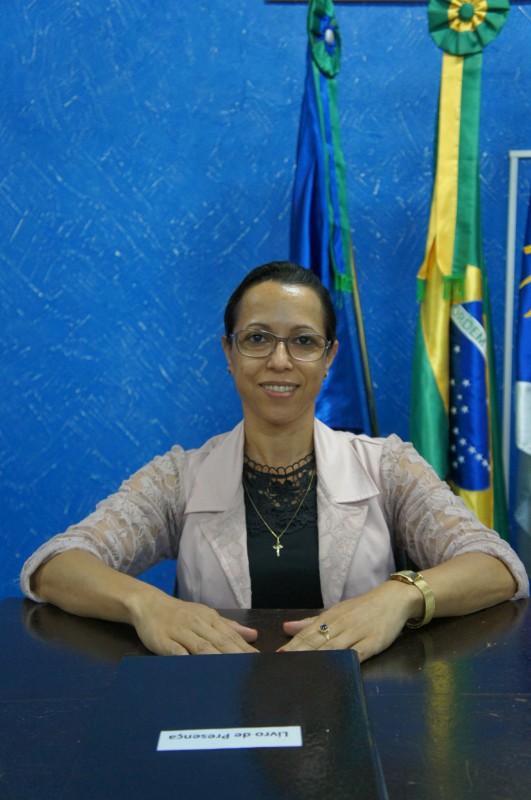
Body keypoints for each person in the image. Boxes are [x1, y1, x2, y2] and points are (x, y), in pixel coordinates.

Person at [20, 261, 529, 660]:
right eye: (258, 338)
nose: (280, 361)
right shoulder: (180, 477)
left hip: (366, 704)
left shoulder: (389, 467)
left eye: (304, 341)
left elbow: (498, 567)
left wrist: (399, 597)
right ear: (229, 352)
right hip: (219, 711)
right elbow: (54, 565)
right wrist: (146, 603)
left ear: (329, 358)